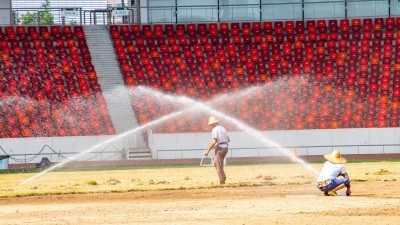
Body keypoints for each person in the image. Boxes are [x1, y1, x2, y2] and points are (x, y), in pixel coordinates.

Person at [204, 116, 230, 185]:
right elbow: (229, 139)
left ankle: (222, 181)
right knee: (219, 163)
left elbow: (214, 141)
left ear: (212, 124)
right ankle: (223, 176)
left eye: (210, 125)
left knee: (217, 164)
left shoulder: (215, 130)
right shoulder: (223, 128)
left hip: (220, 148)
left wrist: (207, 151)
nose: (210, 126)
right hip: (226, 147)